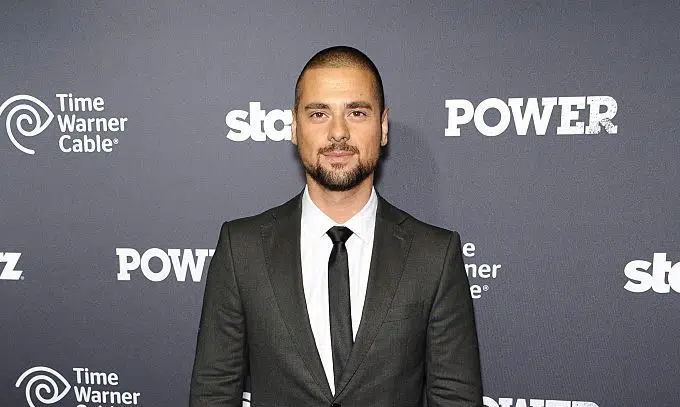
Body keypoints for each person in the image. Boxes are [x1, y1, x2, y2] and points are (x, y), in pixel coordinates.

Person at [189, 46, 482, 407]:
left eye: (357, 113)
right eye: (319, 113)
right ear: (295, 127)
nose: (338, 132)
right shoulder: (242, 249)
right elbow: (213, 393)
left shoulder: (434, 256)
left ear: (383, 126)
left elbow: (456, 398)